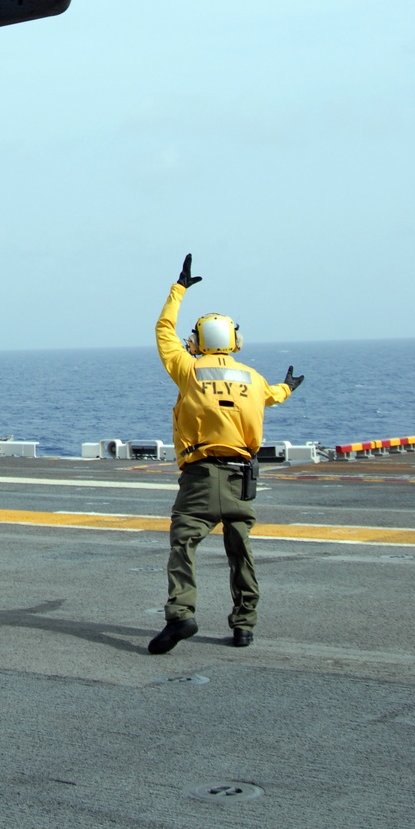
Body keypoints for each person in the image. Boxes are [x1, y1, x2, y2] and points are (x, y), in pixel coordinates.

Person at [148, 253, 303, 654]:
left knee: (184, 544)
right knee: (241, 551)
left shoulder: (190, 370)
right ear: (234, 341)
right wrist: (287, 387)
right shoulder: (253, 379)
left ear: (199, 341)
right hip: (242, 479)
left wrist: (177, 289)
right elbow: (274, 396)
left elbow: (164, 330)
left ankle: (181, 615)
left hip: (201, 477)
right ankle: (244, 625)